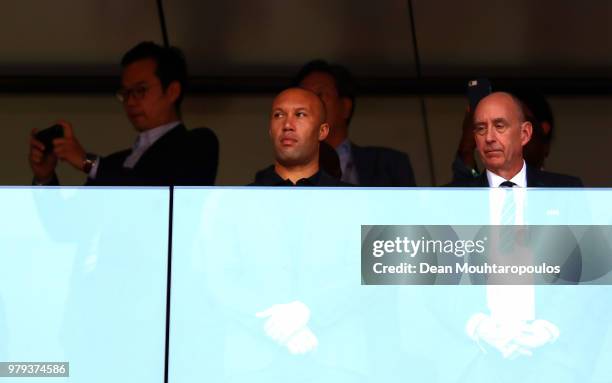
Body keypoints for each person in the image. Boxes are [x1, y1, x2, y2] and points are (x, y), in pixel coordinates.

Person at [28, 41, 218, 186]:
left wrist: (87, 162)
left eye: (141, 90)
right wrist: (44, 177)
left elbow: (156, 188)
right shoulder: (113, 164)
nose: (131, 101)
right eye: (125, 93)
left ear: (172, 91)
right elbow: (69, 226)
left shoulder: (198, 144)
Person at [295, 60, 416, 186]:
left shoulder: (390, 164)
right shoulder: (285, 171)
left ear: (345, 107)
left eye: (320, 95)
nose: (309, 105)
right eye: (303, 98)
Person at [450, 92, 582, 187]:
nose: (489, 138)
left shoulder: (566, 190)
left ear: (524, 133)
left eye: (499, 126)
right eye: (481, 129)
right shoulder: (448, 198)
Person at [251, 87, 349, 186]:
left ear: (322, 131)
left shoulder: (352, 198)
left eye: (300, 114)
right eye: (278, 115)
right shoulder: (242, 198)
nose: (287, 125)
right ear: (271, 130)